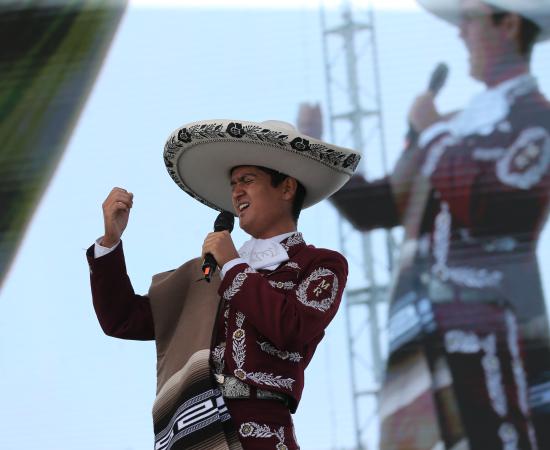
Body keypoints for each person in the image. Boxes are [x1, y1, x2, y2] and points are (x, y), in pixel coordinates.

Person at [298, 1, 550, 448]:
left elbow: (492, 210)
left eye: (469, 21)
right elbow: (377, 207)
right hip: (423, 336)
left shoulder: (535, 119)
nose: (461, 34)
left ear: (508, 25)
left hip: (492, 332)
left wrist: (432, 133)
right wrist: (315, 151)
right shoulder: (455, 125)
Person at [86, 119, 360, 449]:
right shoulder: (207, 274)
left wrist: (232, 265)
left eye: (247, 180)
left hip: (261, 431)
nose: (236, 192)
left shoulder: (320, 264)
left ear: (286, 188)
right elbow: (123, 318)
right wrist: (110, 241)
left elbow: (292, 328)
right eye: (233, 184)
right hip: (193, 430)